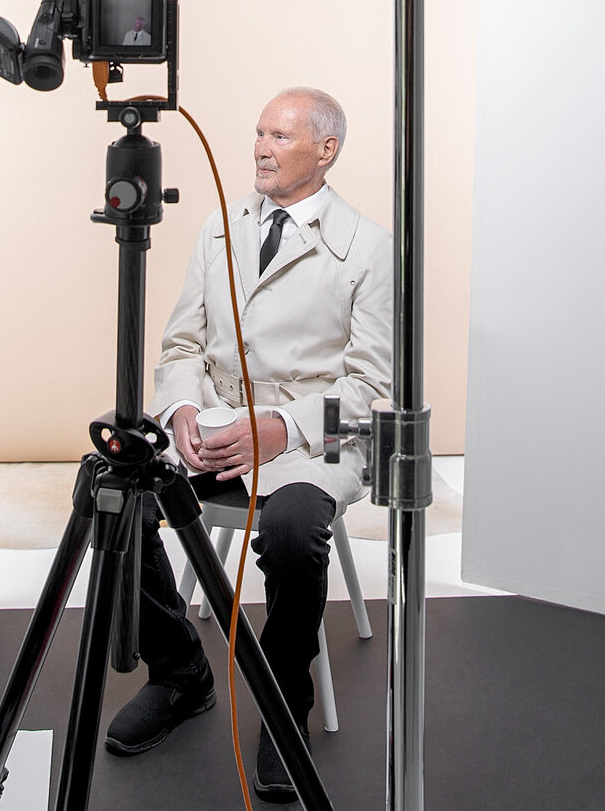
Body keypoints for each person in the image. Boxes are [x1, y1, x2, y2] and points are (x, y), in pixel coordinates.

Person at [104, 87, 392, 802]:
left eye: (281, 137)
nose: (261, 148)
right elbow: (180, 343)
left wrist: (283, 427)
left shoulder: (370, 248)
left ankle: (282, 705)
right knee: (116, 498)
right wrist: (178, 413)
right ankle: (180, 673)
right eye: (259, 133)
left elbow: (371, 393)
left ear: (326, 150)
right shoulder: (218, 228)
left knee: (294, 534)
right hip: (214, 429)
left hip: (305, 443)